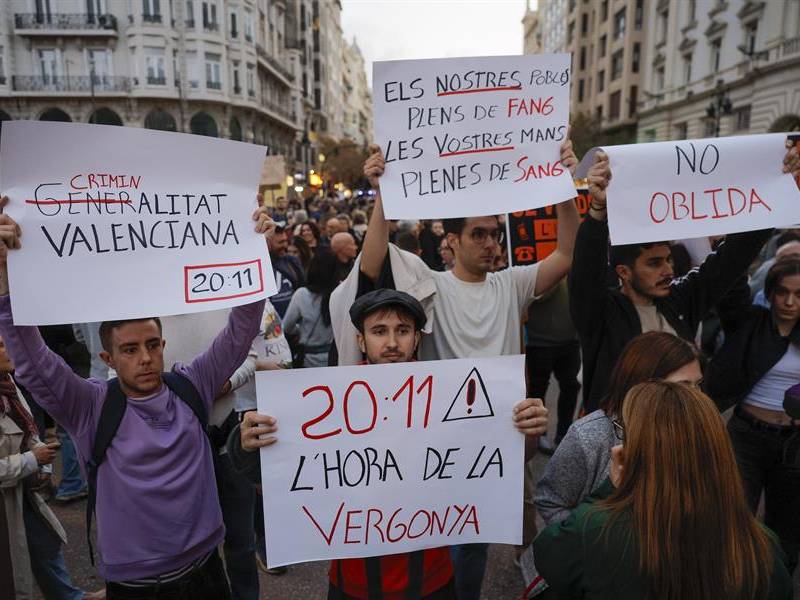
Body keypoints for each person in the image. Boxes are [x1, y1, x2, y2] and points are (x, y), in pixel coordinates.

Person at [0, 198, 273, 599]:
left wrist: (256, 253)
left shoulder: (190, 384)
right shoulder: (89, 406)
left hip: (207, 572)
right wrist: (5, 279)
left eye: (151, 345)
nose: (145, 358)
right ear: (107, 357)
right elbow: (35, 362)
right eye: (129, 350)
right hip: (135, 586)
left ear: (163, 344)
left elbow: (240, 332)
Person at [356, 140, 579, 600]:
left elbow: (565, 255)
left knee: (483, 539)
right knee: (447, 540)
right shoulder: (427, 285)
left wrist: (562, 186)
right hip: (443, 438)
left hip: (502, 435)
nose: (491, 242)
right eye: (478, 233)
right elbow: (373, 262)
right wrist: (382, 193)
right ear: (452, 241)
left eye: (495, 233)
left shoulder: (511, 283)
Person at [228, 289, 549, 600]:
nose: (393, 343)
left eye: (403, 330)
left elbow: (508, 458)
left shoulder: (450, 396)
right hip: (353, 582)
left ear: (417, 338)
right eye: (380, 331)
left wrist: (526, 429)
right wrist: (245, 443)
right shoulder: (325, 402)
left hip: (433, 580)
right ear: (361, 340)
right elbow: (265, 472)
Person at [573, 144, 800, 412]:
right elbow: (585, 273)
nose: (668, 270)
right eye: (654, 263)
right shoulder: (602, 314)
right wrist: (598, 211)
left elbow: (730, 261)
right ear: (624, 272)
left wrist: (774, 188)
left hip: (677, 431)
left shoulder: (680, 301)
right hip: (619, 436)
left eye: (668, 260)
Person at [533, 381, 793, 600]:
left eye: (623, 431)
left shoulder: (597, 532)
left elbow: (548, 557)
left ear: (639, 449)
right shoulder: (761, 546)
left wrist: (611, 490)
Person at [534, 331, 701, 525]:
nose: (696, 396)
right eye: (683, 386)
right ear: (643, 383)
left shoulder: (697, 433)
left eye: (698, 385)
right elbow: (550, 502)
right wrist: (596, 539)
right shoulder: (589, 436)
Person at [706, 257, 800, 575]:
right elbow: (730, 286)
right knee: (734, 519)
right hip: (745, 437)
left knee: (787, 528)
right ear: (770, 292)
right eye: (782, 292)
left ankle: (778, 584)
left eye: (799, 294)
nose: (789, 302)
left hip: (794, 446)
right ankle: (733, 584)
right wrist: (738, 238)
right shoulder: (750, 322)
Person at [1, 334, 104, 600]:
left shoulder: (8, 384)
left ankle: (70, 596)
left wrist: (42, 465)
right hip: (7, 501)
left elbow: (29, 431)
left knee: (45, 544)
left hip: (22, 491)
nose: (9, 349)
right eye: (1, 346)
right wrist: (33, 460)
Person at [524, 280, 581, 447]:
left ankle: (564, 432)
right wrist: (555, 274)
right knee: (538, 389)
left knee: (571, 386)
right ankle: (538, 433)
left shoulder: (569, 268)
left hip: (570, 340)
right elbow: (538, 296)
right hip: (540, 342)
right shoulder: (540, 269)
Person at [282, 250, 338, 368]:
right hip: (333, 358)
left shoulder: (302, 295)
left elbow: (286, 327)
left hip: (308, 360)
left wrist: (301, 329)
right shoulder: (339, 293)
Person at [268, 223, 306, 318]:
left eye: (286, 241)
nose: (285, 245)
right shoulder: (261, 266)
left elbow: (302, 287)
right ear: (268, 243)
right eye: (280, 242)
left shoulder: (292, 261)